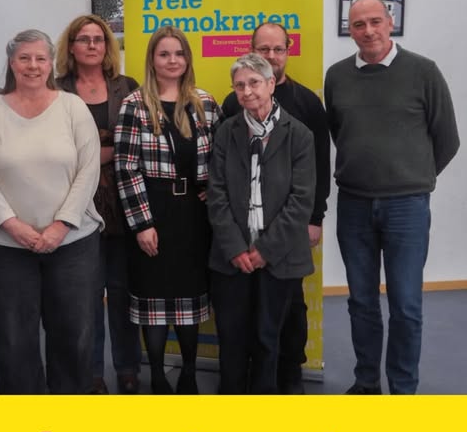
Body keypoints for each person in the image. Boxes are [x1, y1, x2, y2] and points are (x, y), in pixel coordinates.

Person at [324, 0, 460, 395]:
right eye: (358, 24)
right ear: (350, 30)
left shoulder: (423, 71)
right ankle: (366, 382)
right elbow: (341, 132)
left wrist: (412, 178)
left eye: (375, 21)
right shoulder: (337, 76)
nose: (368, 31)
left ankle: (402, 389)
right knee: (361, 302)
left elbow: (447, 138)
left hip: (407, 207)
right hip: (354, 204)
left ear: (390, 22)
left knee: (406, 305)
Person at [0, 29, 102, 394]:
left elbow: (89, 170)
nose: (33, 65)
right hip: (5, 246)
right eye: (24, 58)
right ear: (11, 63)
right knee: (14, 339)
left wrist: (61, 225)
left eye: (40, 58)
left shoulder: (72, 107)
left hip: (72, 243)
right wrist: (13, 226)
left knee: (74, 333)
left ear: (50, 63)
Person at [222, 22, 330, 394]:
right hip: (239, 241)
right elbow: (221, 181)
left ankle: (286, 382)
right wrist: (237, 244)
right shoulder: (231, 114)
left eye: (277, 49)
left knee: (286, 317)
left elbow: (313, 177)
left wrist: (313, 218)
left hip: (285, 240)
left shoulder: (305, 111)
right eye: (262, 49)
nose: (270, 56)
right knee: (243, 322)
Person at [114, 26, 222, 395]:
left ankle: (189, 373)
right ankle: (158, 376)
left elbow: (223, 157)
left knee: (190, 297)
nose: (172, 60)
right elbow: (126, 168)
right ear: (152, 60)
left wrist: (212, 191)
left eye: (179, 53)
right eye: (164, 54)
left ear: (188, 59)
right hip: (152, 211)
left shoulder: (205, 103)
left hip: (194, 216)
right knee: (154, 298)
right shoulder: (135, 105)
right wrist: (142, 223)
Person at [207, 53, 315, 394]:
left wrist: (265, 250)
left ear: (271, 84)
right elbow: (216, 194)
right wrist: (236, 248)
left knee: (270, 336)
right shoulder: (226, 132)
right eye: (239, 85)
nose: (247, 91)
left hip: (279, 257)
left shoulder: (299, 135)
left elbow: (301, 200)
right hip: (232, 256)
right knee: (232, 337)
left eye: (254, 83)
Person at [56, 14, 142, 395]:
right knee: (84, 297)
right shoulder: (56, 88)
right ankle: (90, 372)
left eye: (99, 39)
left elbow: (139, 142)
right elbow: (54, 148)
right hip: (74, 204)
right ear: (71, 46)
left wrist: (98, 153)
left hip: (124, 202)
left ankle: (127, 368)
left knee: (122, 291)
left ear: (107, 46)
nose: (92, 45)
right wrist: (103, 153)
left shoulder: (128, 86)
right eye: (84, 39)